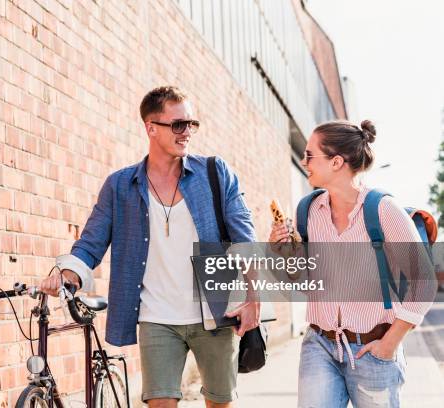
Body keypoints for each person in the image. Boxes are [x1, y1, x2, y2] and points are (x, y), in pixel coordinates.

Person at [41, 86, 260, 408]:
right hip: (156, 316)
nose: (187, 132)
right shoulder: (121, 185)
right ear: (151, 128)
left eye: (191, 124)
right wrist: (67, 273)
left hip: (215, 311)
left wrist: (254, 297)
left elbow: (245, 237)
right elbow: (91, 242)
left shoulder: (214, 173)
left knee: (219, 403)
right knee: (159, 403)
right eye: (178, 125)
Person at [270, 120, 436, 408]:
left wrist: (389, 344)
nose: (303, 161)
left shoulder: (383, 210)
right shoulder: (307, 211)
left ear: (336, 162)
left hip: (373, 350)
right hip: (319, 346)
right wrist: (281, 250)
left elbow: (424, 282)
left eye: (310, 155)